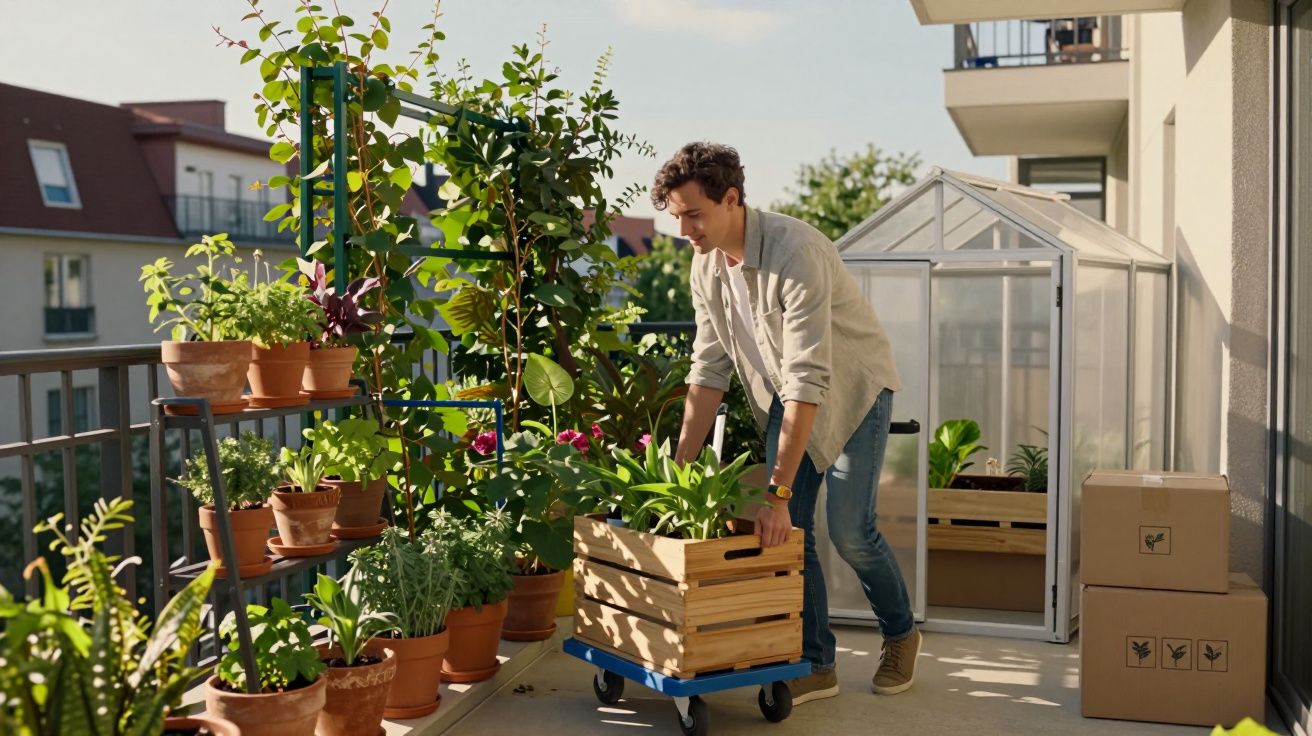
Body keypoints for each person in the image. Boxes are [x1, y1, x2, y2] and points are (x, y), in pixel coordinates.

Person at [656, 141, 920, 704]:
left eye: (694, 214)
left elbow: (809, 377)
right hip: (789, 394)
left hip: (853, 389)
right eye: (678, 217)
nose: (686, 230)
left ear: (732, 200)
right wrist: (678, 468)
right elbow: (708, 371)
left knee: (850, 531)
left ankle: (900, 634)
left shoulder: (796, 250)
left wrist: (776, 491)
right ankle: (816, 662)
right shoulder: (705, 266)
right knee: (787, 534)